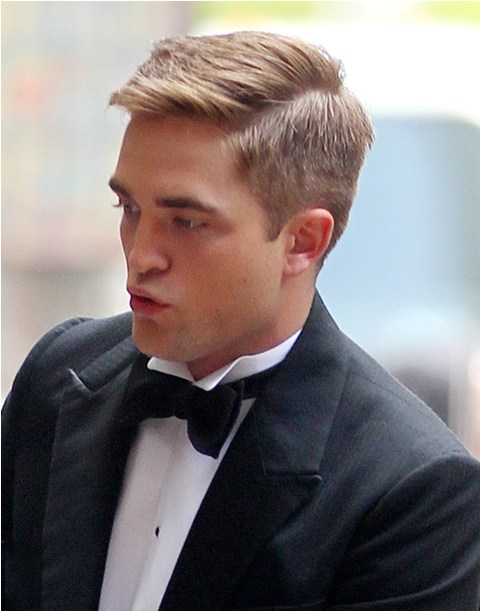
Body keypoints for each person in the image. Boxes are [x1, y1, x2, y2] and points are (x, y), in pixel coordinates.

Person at [2, 30, 480, 611]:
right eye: (129, 208)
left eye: (186, 222)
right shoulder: (59, 378)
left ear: (303, 241)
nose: (140, 254)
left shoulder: (412, 491)